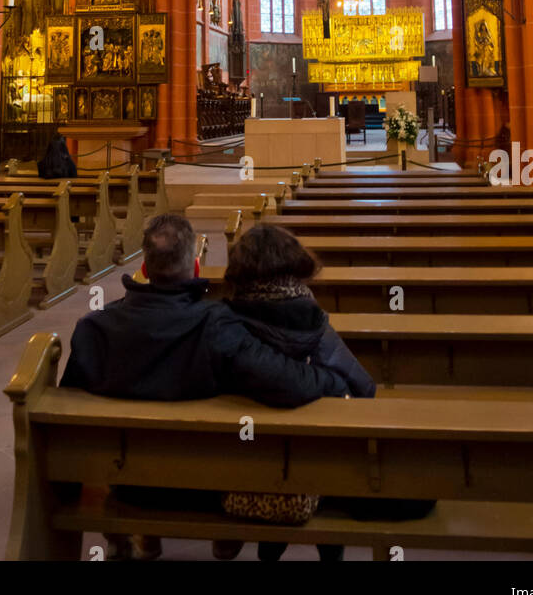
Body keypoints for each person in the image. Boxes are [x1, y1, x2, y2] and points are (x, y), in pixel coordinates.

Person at [60, 213, 351, 560]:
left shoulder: (93, 329)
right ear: (196, 267)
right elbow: (287, 383)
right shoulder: (217, 326)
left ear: (146, 270)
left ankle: (136, 535)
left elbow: (67, 418)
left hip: (128, 485)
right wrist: (335, 381)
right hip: (203, 487)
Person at [220, 223, 376, 563]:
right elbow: (364, 389)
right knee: (329, 441)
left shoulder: (225, 323)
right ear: (295, 265)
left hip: (243, 460)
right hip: (316, 458)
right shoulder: (311, 320)